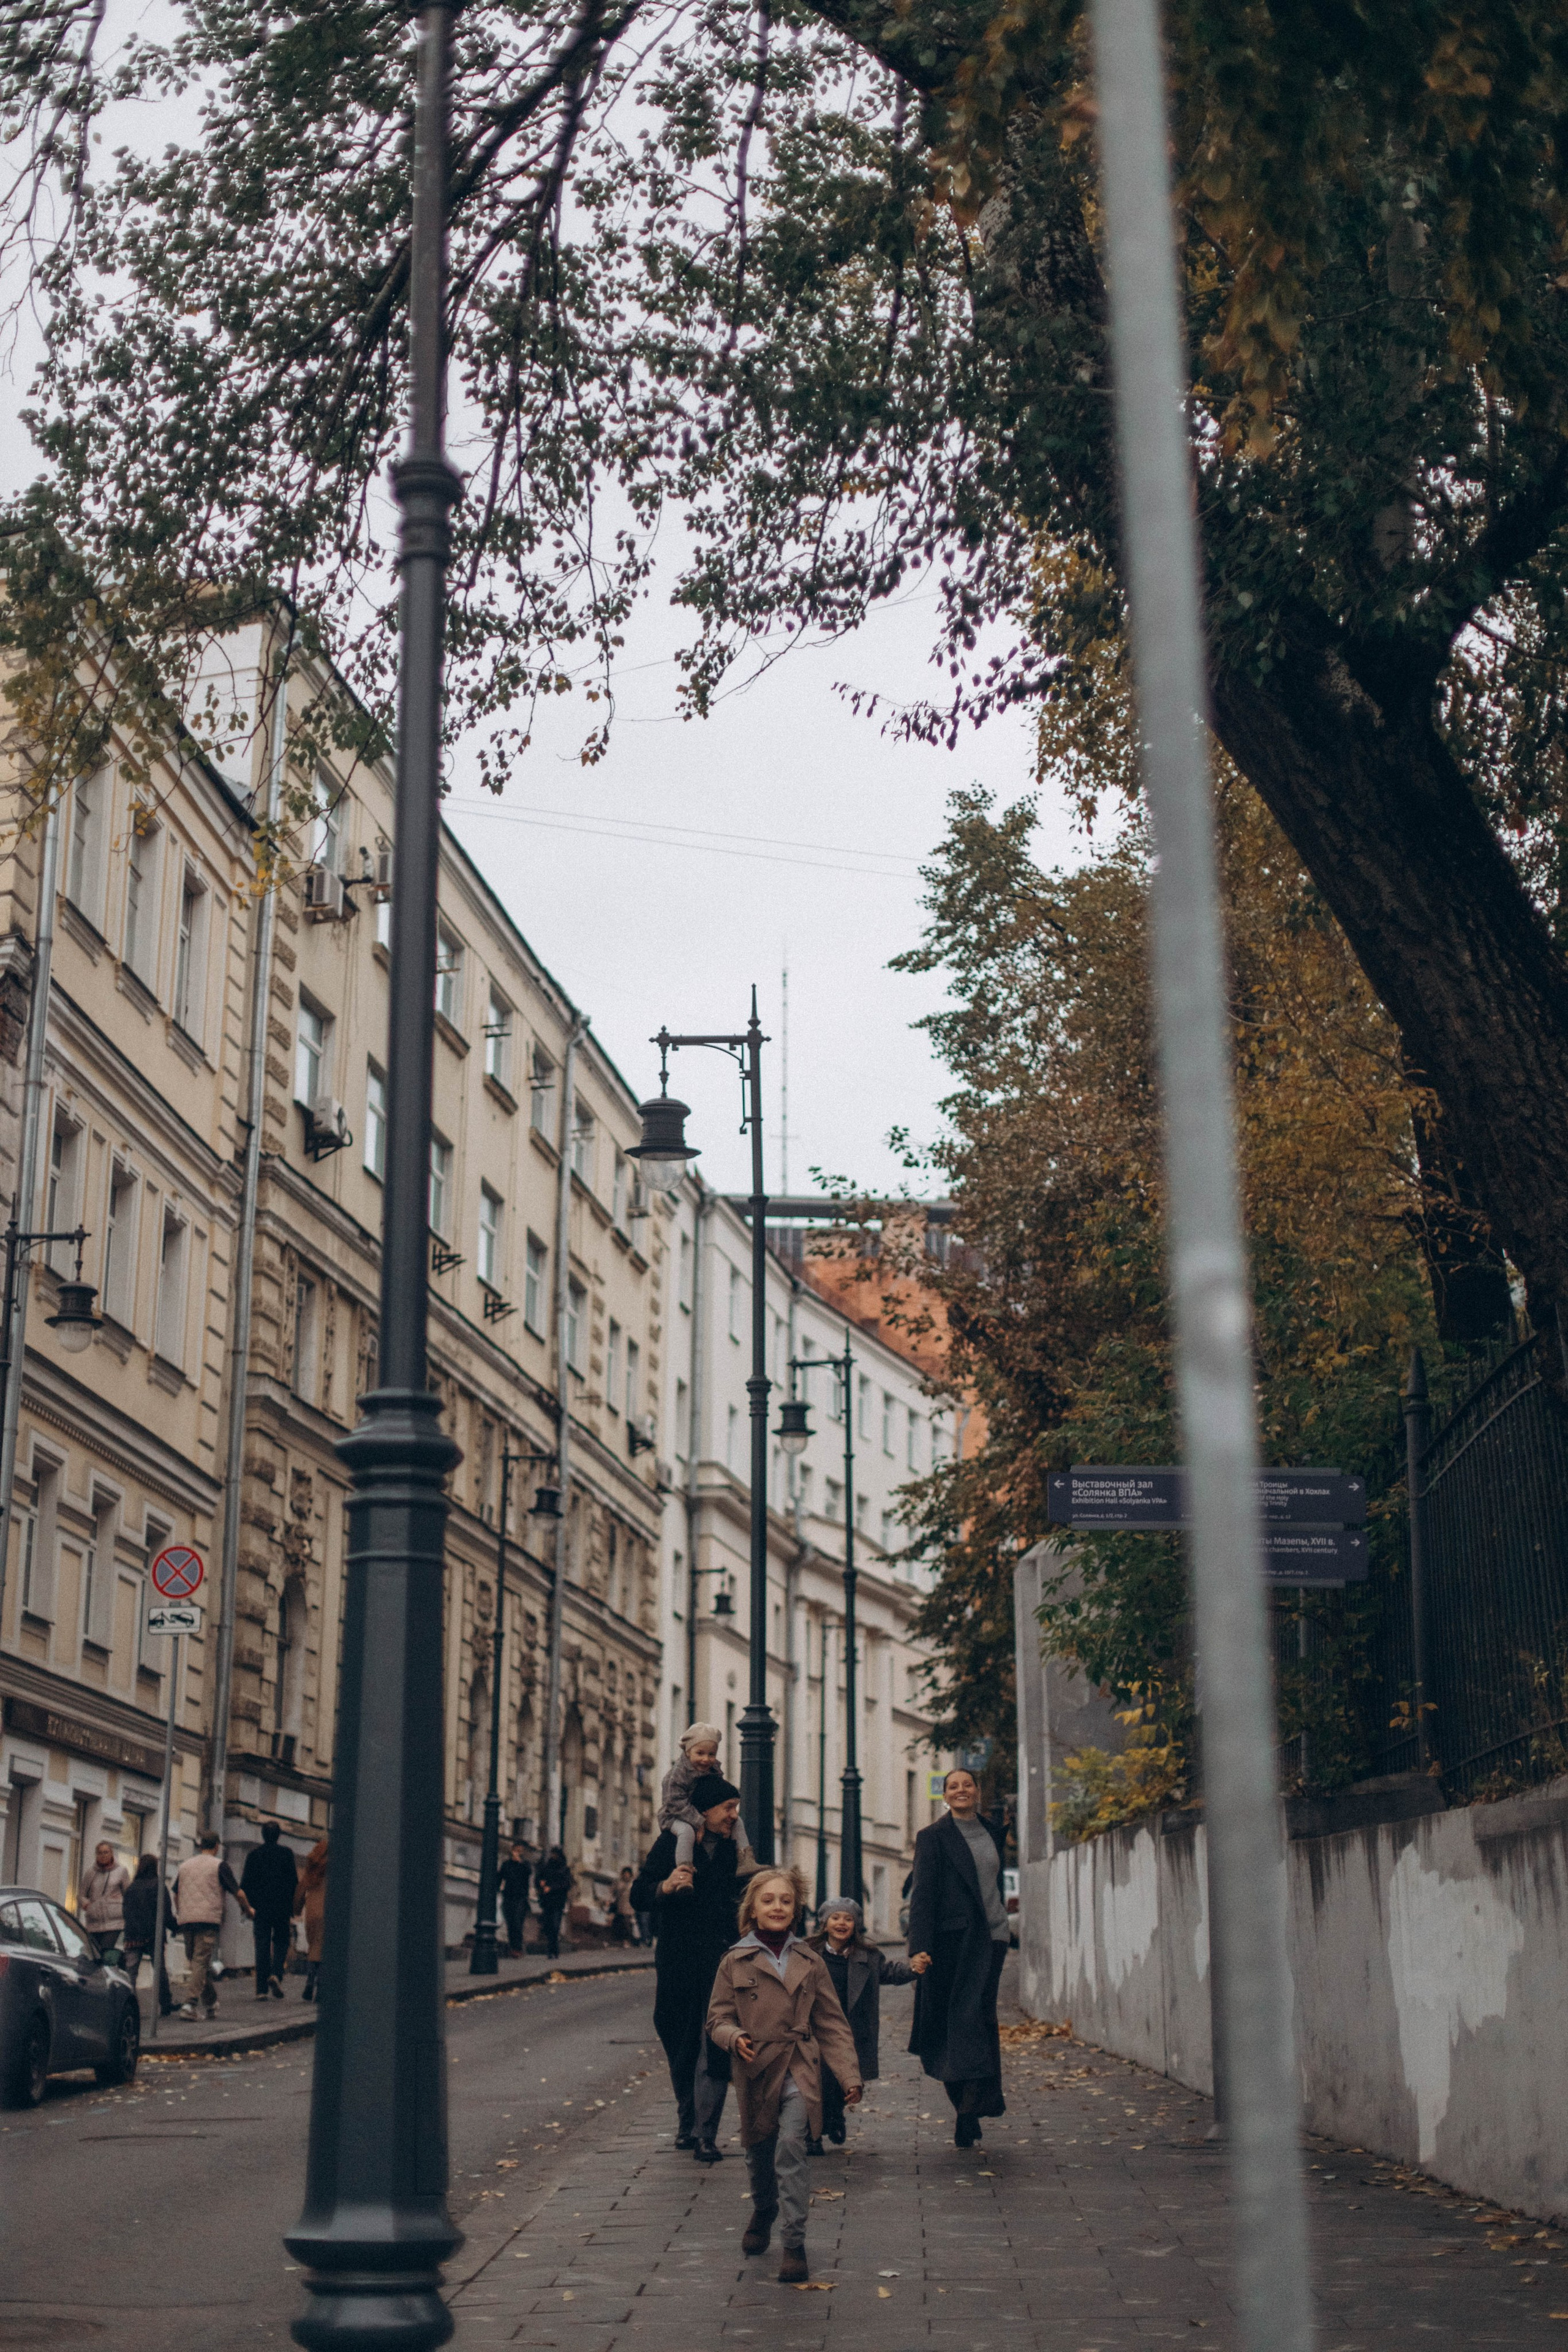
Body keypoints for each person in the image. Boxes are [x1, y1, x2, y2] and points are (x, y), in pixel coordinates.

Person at [706, 1864, 862, 2286]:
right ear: (753, 1910)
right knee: (760, 2152)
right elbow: (716, 2018)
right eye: (769, 1900)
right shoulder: (734, 1961)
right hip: (755, 2068)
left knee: (792, 2146)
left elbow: (831, 2023)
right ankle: (764, 2208)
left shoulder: (811, 1962)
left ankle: (794, 2243)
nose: (778, 1907)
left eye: (786, 1901)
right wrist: (733, 2035)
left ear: (797, 1911)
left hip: (800, 2065)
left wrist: (849, 2075)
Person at [630, 1773, 755, 2159]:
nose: (734, 1816)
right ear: (704, 1810)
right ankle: (687, 2118)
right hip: (679, 1961)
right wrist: (665, 1887)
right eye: (727, 1808)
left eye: (736, 1808)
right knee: (680, 2041)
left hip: (723, 1963)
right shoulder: (673, 1844)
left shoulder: (737, 1851)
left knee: (714, 2045)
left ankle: (705, 2132)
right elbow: (640, 1894)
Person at [906, 1765, 1010, 2147]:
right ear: (945, 1795)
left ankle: (976, 2102)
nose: (961, 1790)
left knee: (980, 2017)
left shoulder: (992, 1832)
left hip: (993, 1938)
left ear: (977, 1791)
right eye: (954, 1786)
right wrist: (919, 1946)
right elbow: (923, 1896)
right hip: (950, 1943)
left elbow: (991, 1885)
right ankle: (966, 2105)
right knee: (954, 2020)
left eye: (968, 1785)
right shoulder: (933, 1837)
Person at [803, 1896, 913, 2149]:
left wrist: (914, 1970)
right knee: (816, 2079)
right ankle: (814, 2135)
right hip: (816, 2025)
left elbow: (889, 1973)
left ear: (856, 1925)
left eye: (848, 1919)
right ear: (824, 1923)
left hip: (850, 2028)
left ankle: (835, 2116)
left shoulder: (868, 1956)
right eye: (836, 1918)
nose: (842, 1923)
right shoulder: (807, 1952)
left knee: (841, 2077)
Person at [658, 1722, 755, 1874]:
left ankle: (746, 1860)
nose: (706, 1759)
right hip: (674, 1816)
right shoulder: (677, 1775)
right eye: (700, 1753)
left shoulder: (713, 1768)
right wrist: (699, 1821)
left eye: (711, 1755)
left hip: (698, 1813)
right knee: (686, 1832)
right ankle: (684, 1868)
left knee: (738, 1821)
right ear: (688, 1752)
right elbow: (673, 1802)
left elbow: (718, 1789)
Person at [173, 1832, 251, 2019]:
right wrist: (247, 1909)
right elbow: (238, 1893)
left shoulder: (185, 1866)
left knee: (197, 1963)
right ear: (217, 1846)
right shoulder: (219, 1866)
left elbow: (176, 1893)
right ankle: (190, 2005)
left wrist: (181, 1912)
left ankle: (210, 2003)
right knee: (201, 1963)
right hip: (208, 1920)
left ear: (201, 1846)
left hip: (187, 1920)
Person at [239, 1820, 298, 1999]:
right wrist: (292, 1907)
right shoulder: (287, 1854)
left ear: (263, 1835)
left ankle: (261, 1990)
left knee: (262, 1945)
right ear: (279, 1835)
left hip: (261, 1909)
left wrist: (248, 1907)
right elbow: (293, 1883)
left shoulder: (254, 1855)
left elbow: (245, 1885)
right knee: (282, 1941)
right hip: (281, 1908)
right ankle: (276, 1973)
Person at [121, 1855, 173, 2015]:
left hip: (133, 1936)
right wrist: (176, 1927)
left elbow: (125, 1912)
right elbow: (165, 1913)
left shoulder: (131, 1888)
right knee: (159, 1971)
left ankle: (130, 2006)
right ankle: (165, 2004)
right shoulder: (158, 1886)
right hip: (153, 1935)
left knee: (131, 1973)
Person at [79, 1841, 131, 1962]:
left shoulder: (121, 1871)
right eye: (100, 1853)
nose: (103, 1856)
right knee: (94, 1954)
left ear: (112, 1853)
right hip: (94, 1922)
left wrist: (120, 1904)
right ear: (96, 1855)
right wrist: (86, 1904)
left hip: (114, 1922)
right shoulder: (90, 1873)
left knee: (106, 1951)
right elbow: (81, 1895)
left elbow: (128, 1895)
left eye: (106, 1852)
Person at [293, 1837, 328, 2000]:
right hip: (329, 1914)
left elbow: (301, 1890)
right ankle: (320, 1988)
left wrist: (297, 1909)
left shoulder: (312, 1868)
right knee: (325, 1951)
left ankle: (309, 1982)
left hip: (312, 1913)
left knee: (314, 1947)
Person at [535, 1845, 572, 1959]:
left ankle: (553, 1949)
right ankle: (552, 1949)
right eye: (552, 1854)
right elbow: (538, 1879)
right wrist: (540, 1883)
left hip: (558, 1901)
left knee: (555, 1925)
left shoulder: (564, 1869)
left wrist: (551, 1888)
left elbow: (566, 1884)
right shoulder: (547, 1867)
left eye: (555, 1854)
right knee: (549, 1925)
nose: (553, 1856)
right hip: (547, 1901)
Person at [499, 1842, 532, 1957]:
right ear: (512, 1850)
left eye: (520, 1851)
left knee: (518, 1923)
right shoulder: (507, 1864)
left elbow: (528, 1873)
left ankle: (517, 1948)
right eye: (516, 1850)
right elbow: (500, 1877)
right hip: (508, 1896)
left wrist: (520, 1862)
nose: (518, 1853)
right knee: (510, 1923)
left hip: (521, 1898)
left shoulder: (525, 1865)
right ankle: (513, 1947)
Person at [611, 1866, 639, 1944]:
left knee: (628, 1924)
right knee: (621, 1924)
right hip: (620, 1906)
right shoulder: (618, 1882)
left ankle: (630, 1940)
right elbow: (613, 1893)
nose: (626, 1875)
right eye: (625, 1874)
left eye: (628, 1874)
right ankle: (624, 1940)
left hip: (630, 1907)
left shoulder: (633, 1883)